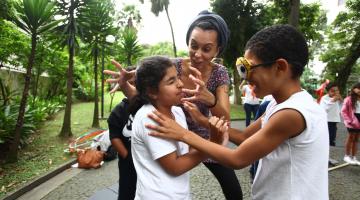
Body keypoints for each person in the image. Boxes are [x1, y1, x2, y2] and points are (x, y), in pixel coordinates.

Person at [147, 24, 329, 199]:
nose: (245, 78)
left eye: (247, 68)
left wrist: (183, 134)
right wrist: (203, 121)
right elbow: (244, 138)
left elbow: (237, 159)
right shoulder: (282, 104)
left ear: (279, 67)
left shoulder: (291, 114)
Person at [104, 10, 243, 200]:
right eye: (193, 45)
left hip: (203, 133)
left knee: (233, 190)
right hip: (169, 129)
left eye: (206, 49)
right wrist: (125, 82)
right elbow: (145, 93)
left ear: (217, 49)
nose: (197, 54)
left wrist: (209, 100)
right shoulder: (172, 66)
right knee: (139, 174)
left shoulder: (219, 73)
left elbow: (224, 119)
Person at [129, 55, 227, 200]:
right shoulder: (150, 118)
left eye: (178, 77)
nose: (180, 84)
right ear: (152, 92)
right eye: (171, 81)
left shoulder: (177, 111)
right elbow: (175, 167)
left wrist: (211, 142)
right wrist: (212, 144)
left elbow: (185, 151)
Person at [108, 98, 137, 200]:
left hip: (148, 163)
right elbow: (114, 137)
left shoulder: (148, 106)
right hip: (128, 165)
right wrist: (127, 156)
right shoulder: (119, 110)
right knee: (127, 192)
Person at [341, 82, 360, 165]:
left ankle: (354, 157)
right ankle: (347, 156)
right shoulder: (349, 99)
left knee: (356, 139)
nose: (359, 90)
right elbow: (343, 111)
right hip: (352, 120)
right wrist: (349, 121)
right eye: (358, 88)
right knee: (351, 137)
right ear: (354, 89)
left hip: (359, 119)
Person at [319, 82, 342, 147]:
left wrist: (340, 99)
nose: (335, 92)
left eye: (337, 90)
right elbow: (325, 108)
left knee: (332, 136)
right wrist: (334, 100)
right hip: (326, 120)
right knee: (326, 136)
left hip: (334, 120)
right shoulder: (324, 98)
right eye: (333, 91)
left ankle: (331, 143)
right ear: (328, 91)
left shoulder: (337, 98)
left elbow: (342, 105)